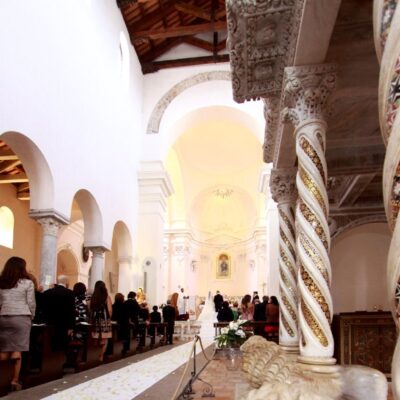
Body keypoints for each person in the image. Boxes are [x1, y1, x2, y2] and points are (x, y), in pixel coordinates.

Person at [0, 257, 35, 392]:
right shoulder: (27, 283)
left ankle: (2, 380)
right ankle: (14, 381)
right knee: (17, 351)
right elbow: (31, 303)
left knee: (3, 350)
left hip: (3, 317)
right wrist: (31, 316)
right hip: (21, 317)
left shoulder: (2, 282)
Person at [42, 275, 75, 351]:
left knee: (49, 345)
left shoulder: (47, 292)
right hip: (64, 325)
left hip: (49, 324)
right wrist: (71, 327)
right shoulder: (70, 293)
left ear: (57, 282)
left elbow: (44, 308)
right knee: (62, 347)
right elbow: (71, 311)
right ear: (66, 282)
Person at [88, 280, 112, 362]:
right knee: (104, 339)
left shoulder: (93, 297)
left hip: (95, 320)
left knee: (95, 337)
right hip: (104, 320)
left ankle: (93, 356)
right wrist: (109, 318)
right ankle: (101, 356)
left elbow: (90, 309)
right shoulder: (106, 297)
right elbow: (109, 310)